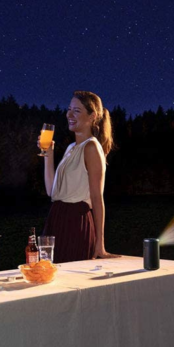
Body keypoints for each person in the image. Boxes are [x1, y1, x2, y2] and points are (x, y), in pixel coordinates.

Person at [41, 91, 119, 262]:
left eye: (76, 111)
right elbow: (51, 191)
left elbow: (97, 199)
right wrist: (48, 154)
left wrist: (100, 244)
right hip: (57, 218)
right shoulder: (71, 148)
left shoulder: (91, 148)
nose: (69, 114)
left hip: (76, 221)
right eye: (69, 109)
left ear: (92, 116)